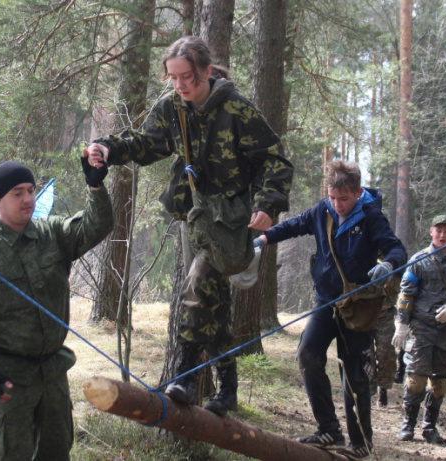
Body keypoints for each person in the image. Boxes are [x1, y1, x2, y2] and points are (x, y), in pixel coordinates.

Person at [83, 35, 293, 417]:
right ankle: (227, 389)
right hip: (193, 218)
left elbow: (274, 159)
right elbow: (146, 144)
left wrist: (268, 205)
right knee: (214, 300)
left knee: (196, 286)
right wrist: (108, 149)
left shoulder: (236, 109)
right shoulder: (171, 108)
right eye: (173, 77)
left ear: (206, 71)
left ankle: (186, 374)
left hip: (230, 223)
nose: (179, 85)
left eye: (187, 77)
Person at [0, 159, 114, 460]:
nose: (27, 199)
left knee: (56, 452)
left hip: (52, 375)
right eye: (17, 193)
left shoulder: (53, 233)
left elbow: (97, 225)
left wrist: (95, 186)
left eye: (30, 190)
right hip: (7, 378)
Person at [257, 161, 406, 460]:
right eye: (333, 197)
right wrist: (262, 239)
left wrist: (388, 265)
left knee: (354, 375)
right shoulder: (321, 211)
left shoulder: (371, 216)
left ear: (358, 193)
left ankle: (361, 442)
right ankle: (328, 429)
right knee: (307, 355)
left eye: (344, 199)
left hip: (358, 307)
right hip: (325, 302)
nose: (337, 204)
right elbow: (293, 225)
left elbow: (396, 249)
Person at [392, 215, 446, 444]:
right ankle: (408, 425)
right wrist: (402, 324)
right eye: (438, 231)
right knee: (416, 376)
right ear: (431, 232)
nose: (442, 235)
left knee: (440, 379)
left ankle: (429, 427)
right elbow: (406, 294)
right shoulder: (419, 260)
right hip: (421, 327)